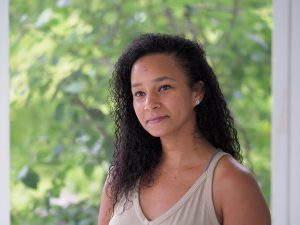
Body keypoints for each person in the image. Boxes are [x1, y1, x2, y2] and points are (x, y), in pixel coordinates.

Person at [98, 33, 271, 225]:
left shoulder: (231, 182)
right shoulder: (120, 178)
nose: (150, 103)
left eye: (164, 87)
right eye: (139, 93)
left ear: (197, 92)